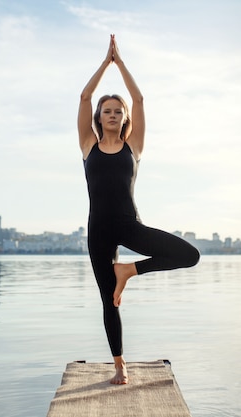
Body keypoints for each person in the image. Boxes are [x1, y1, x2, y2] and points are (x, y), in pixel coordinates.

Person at [78, 35, 201, 385]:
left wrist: (122, 63)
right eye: (107, 111)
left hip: (130, 226)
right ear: (99, 118)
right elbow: (85, 97)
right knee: (109, 302)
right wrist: (106, 63)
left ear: (124, 117)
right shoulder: (89, 146)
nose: (113, 114)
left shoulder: (134, 147)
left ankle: (129, 270)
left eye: (118, 111)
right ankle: (120, 365)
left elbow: (140, 98)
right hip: (98, 231)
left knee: (189, 255)